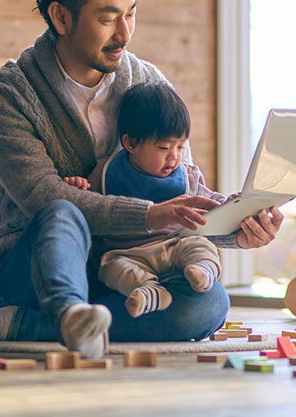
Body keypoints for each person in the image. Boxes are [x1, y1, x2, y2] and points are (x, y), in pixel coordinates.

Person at [0, 0, 283, 358]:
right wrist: (150, 214)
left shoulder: (149, 84)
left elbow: (177, 193)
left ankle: (21, 326)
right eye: (108, 18)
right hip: (35, 269)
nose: (124, 33)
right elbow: (42, 197)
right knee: (61, 211)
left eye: (131, 14)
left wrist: (236, 229)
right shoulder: (10, 94)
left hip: (130, 267)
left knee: (209, 303)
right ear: (61, 17)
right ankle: (63, 311)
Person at [64, 82, 224, 319]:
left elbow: (210, 202)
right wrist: (77, 187)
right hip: (127, 254)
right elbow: (89, 208)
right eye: (163, 147)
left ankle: (203, 270)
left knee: (201, 246)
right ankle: (150, 292)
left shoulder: (186, 175)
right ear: (130, 144)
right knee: (111, 268)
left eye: (180, 146)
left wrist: (232, 204)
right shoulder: (107, 172)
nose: (174, 157)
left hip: (175, 246)